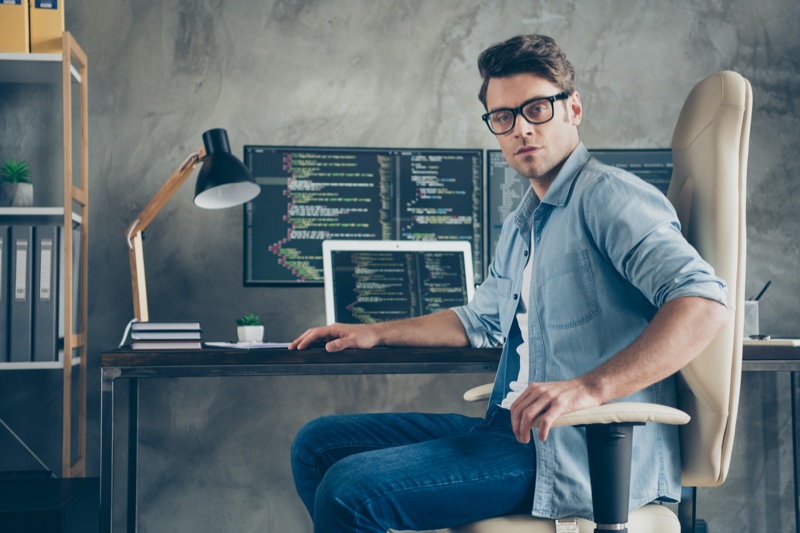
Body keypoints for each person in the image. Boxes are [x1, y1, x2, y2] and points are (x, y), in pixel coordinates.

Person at [289, 34, 729, 532]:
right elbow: (480, 321)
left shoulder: (609, 196)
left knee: (350, 492)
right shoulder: (525, 221)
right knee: (316, 445)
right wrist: (376, 331)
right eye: (504, 117)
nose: (521, 129)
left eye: (537, 108)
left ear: (574, 109)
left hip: (568, 449)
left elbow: (704, 301)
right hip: (509, 430)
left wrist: (589, 388)